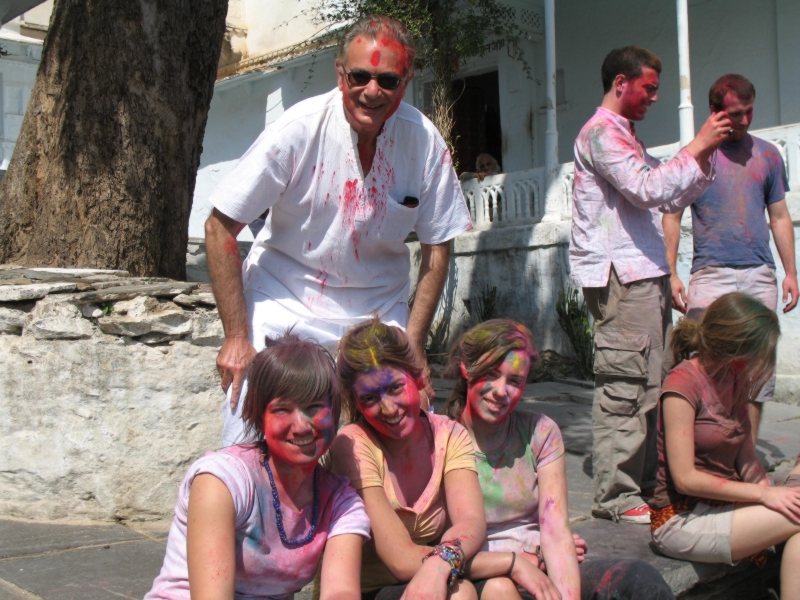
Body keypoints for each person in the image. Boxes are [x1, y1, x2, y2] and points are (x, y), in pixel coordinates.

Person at [204, 15, 473, 446]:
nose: (372, 90)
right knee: (248, 422)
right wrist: (236, 337)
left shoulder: (423, 142)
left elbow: (437, 248)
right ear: (340, 73)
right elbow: (220, 228)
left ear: (406, 81)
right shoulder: (298, 129)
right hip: (283, 297)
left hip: (377, 311)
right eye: (360, 76)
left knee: (412, 425)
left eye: (387, 80)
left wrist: (416, 345)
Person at [570, 46, 732, 524]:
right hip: (621, 277)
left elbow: (669, 190)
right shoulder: (601, 133)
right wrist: (696, 145)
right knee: (625, 383)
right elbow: (649, 188)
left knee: (647, 384)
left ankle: (641, 485)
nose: (654, 98)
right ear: (621, 83)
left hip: (641, 273)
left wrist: (705, 155)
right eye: (649, 88)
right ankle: (615, 496)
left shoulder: (624, 136)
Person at [444, 319, 676, 600]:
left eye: (515, 381)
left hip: (540, 567)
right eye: (491, 374)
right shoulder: (441, 440)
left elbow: (555, 531)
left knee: (638, 580)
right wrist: (510, 562)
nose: (500, 391)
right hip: (479, 575)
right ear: (466, 368)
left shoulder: (540, 433)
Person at [144, 335, 370, 600]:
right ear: (259, 418)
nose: (301, 426)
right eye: (282, 410)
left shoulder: (341, 504)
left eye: (314, 407)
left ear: (333, 414)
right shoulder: (222, 482)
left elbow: (340, 591)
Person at [663, 74, 797, 443]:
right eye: (735, 114)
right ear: (714, 111)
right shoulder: (696, 156)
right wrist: (671, 273)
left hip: (759, 272)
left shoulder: (768, 155)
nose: (743, 121)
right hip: (710, 274)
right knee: (700, 360)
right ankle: (697, 452)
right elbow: (671, 216)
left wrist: (790, 273)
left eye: (748, 112)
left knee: (757, 369)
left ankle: (746, 455)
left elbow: (780, 217)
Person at [649, 293, 800, 599]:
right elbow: (686, 478)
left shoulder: (734, 377)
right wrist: (763, 494)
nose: (761, 360)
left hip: (725, 508)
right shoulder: (682, 384)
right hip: (681, 518)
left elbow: (747, 461)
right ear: (735, 345)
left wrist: (771, 492)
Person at [329, 318, 487, 600]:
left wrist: (440, 565)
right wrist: (511, 561)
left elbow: (471, 522)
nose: (388, 408)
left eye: (395, 388)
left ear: (417, 377)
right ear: (355, 403)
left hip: (431, 577)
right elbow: (400, 559)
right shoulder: (352, 445)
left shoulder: (449, 436)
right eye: (369, 398)